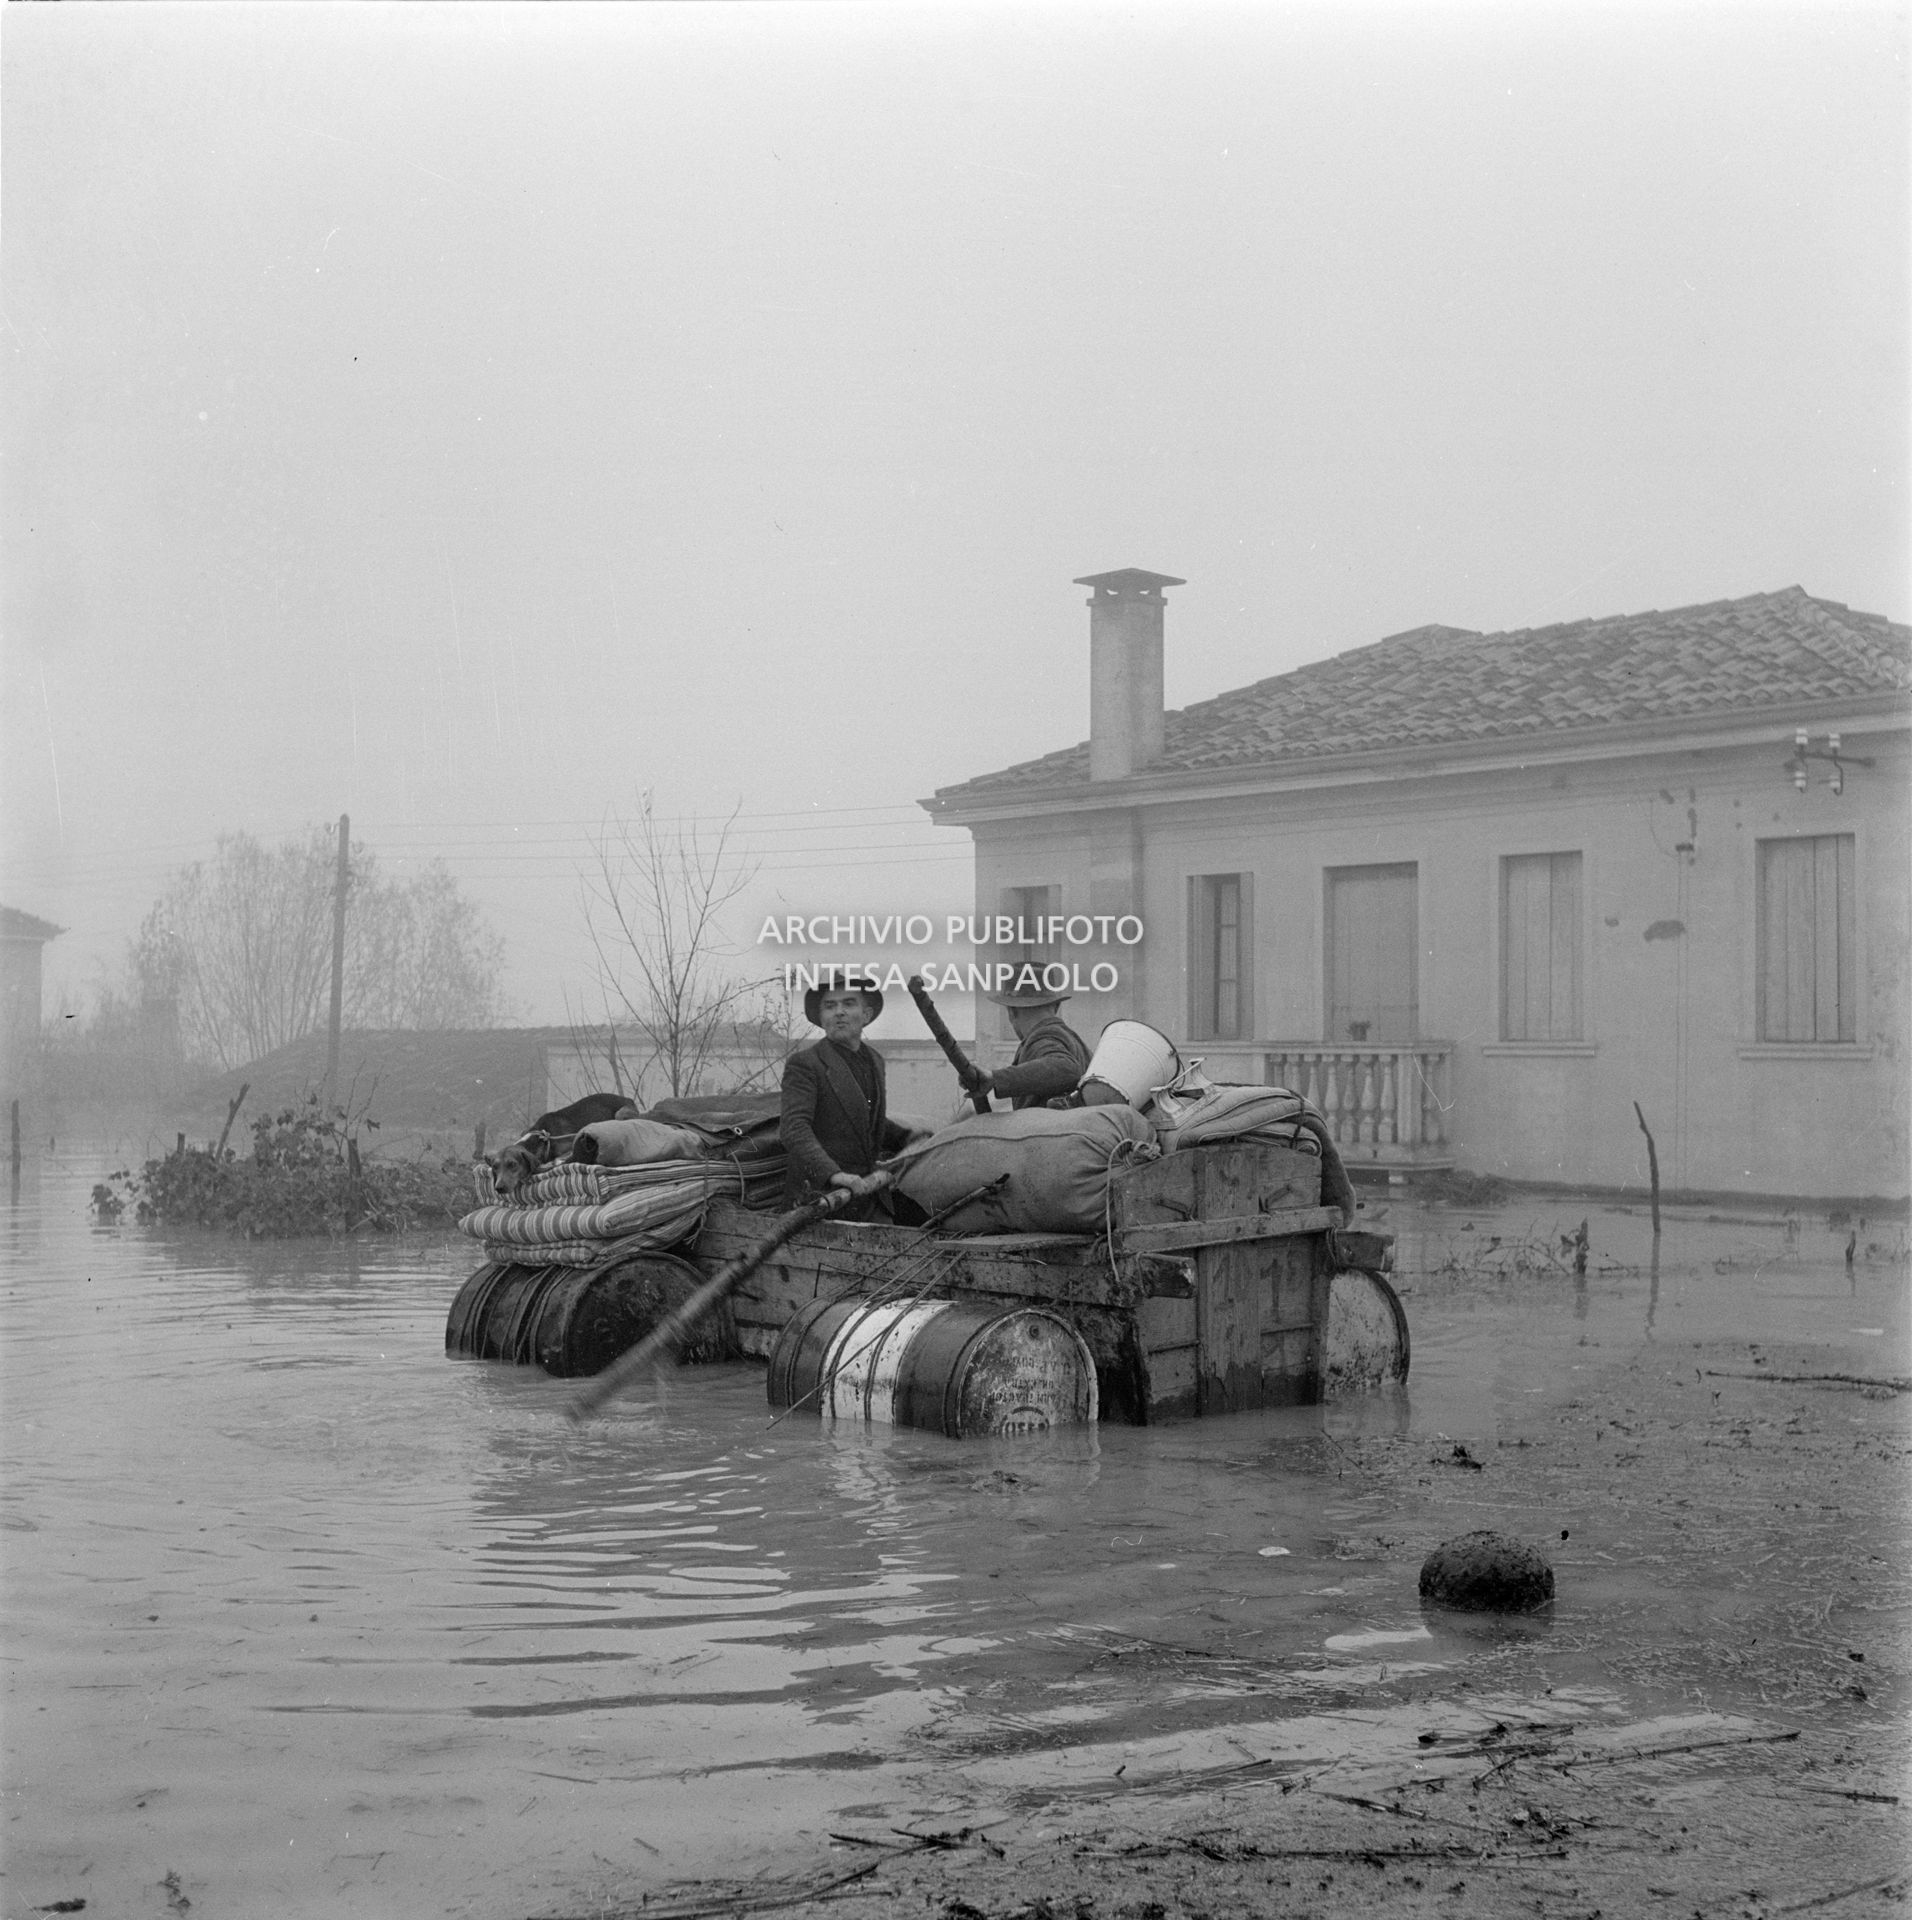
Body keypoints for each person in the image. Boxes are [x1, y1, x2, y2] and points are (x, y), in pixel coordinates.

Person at [780, 970, 919, 1219]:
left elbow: (863, 1120)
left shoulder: (874, 1060)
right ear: (821, 1018)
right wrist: (835, 1174)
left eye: (848, 1003)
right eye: (830, 1006)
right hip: (819, 1199)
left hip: (867, 1193)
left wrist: (909, 1138)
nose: (839, 1012)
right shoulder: (805, 1064)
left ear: (866, 1015)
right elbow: (794, 1128)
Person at [969, 968, 1093, 1110]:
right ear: (1056, 1006)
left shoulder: (1042, 1038)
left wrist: (994, 1078)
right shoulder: (1076, 1042)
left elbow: (1066, 1068)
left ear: (1012, 1011)